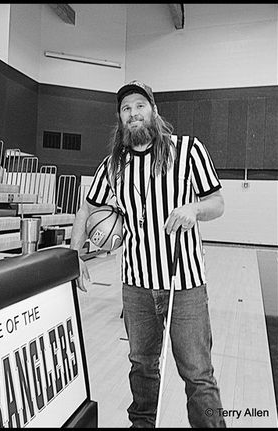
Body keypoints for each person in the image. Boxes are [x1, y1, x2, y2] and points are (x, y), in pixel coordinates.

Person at [70, 80, 226, 428]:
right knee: (141, 365)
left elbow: (217, 203)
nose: (133, 114)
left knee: (197, 374)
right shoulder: (114, 165)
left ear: (154, 111)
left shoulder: (187, 151)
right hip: (137, 287)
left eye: (139, 106)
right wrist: (75, 255)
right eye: (126, 109)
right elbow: (85, 209)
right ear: (120, 120)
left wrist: (194, 210)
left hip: (184, 285)